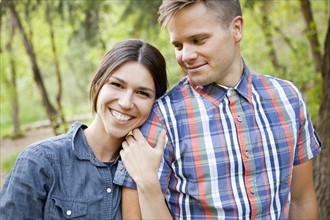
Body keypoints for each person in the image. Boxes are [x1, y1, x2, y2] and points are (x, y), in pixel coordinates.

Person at [117, 1, 322, 219]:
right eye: (178, 45)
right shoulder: (161, 118)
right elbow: (135, 213)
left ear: (236, 29)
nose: (186, 55)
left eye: (198, 40)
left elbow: (302, 200)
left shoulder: (288, 98)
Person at [0, 38, 168, 219]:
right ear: (97, 85)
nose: (126, 103)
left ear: (155, 104)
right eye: (117, 85)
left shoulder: (153, 167)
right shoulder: (39, 162)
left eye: (142, 93)